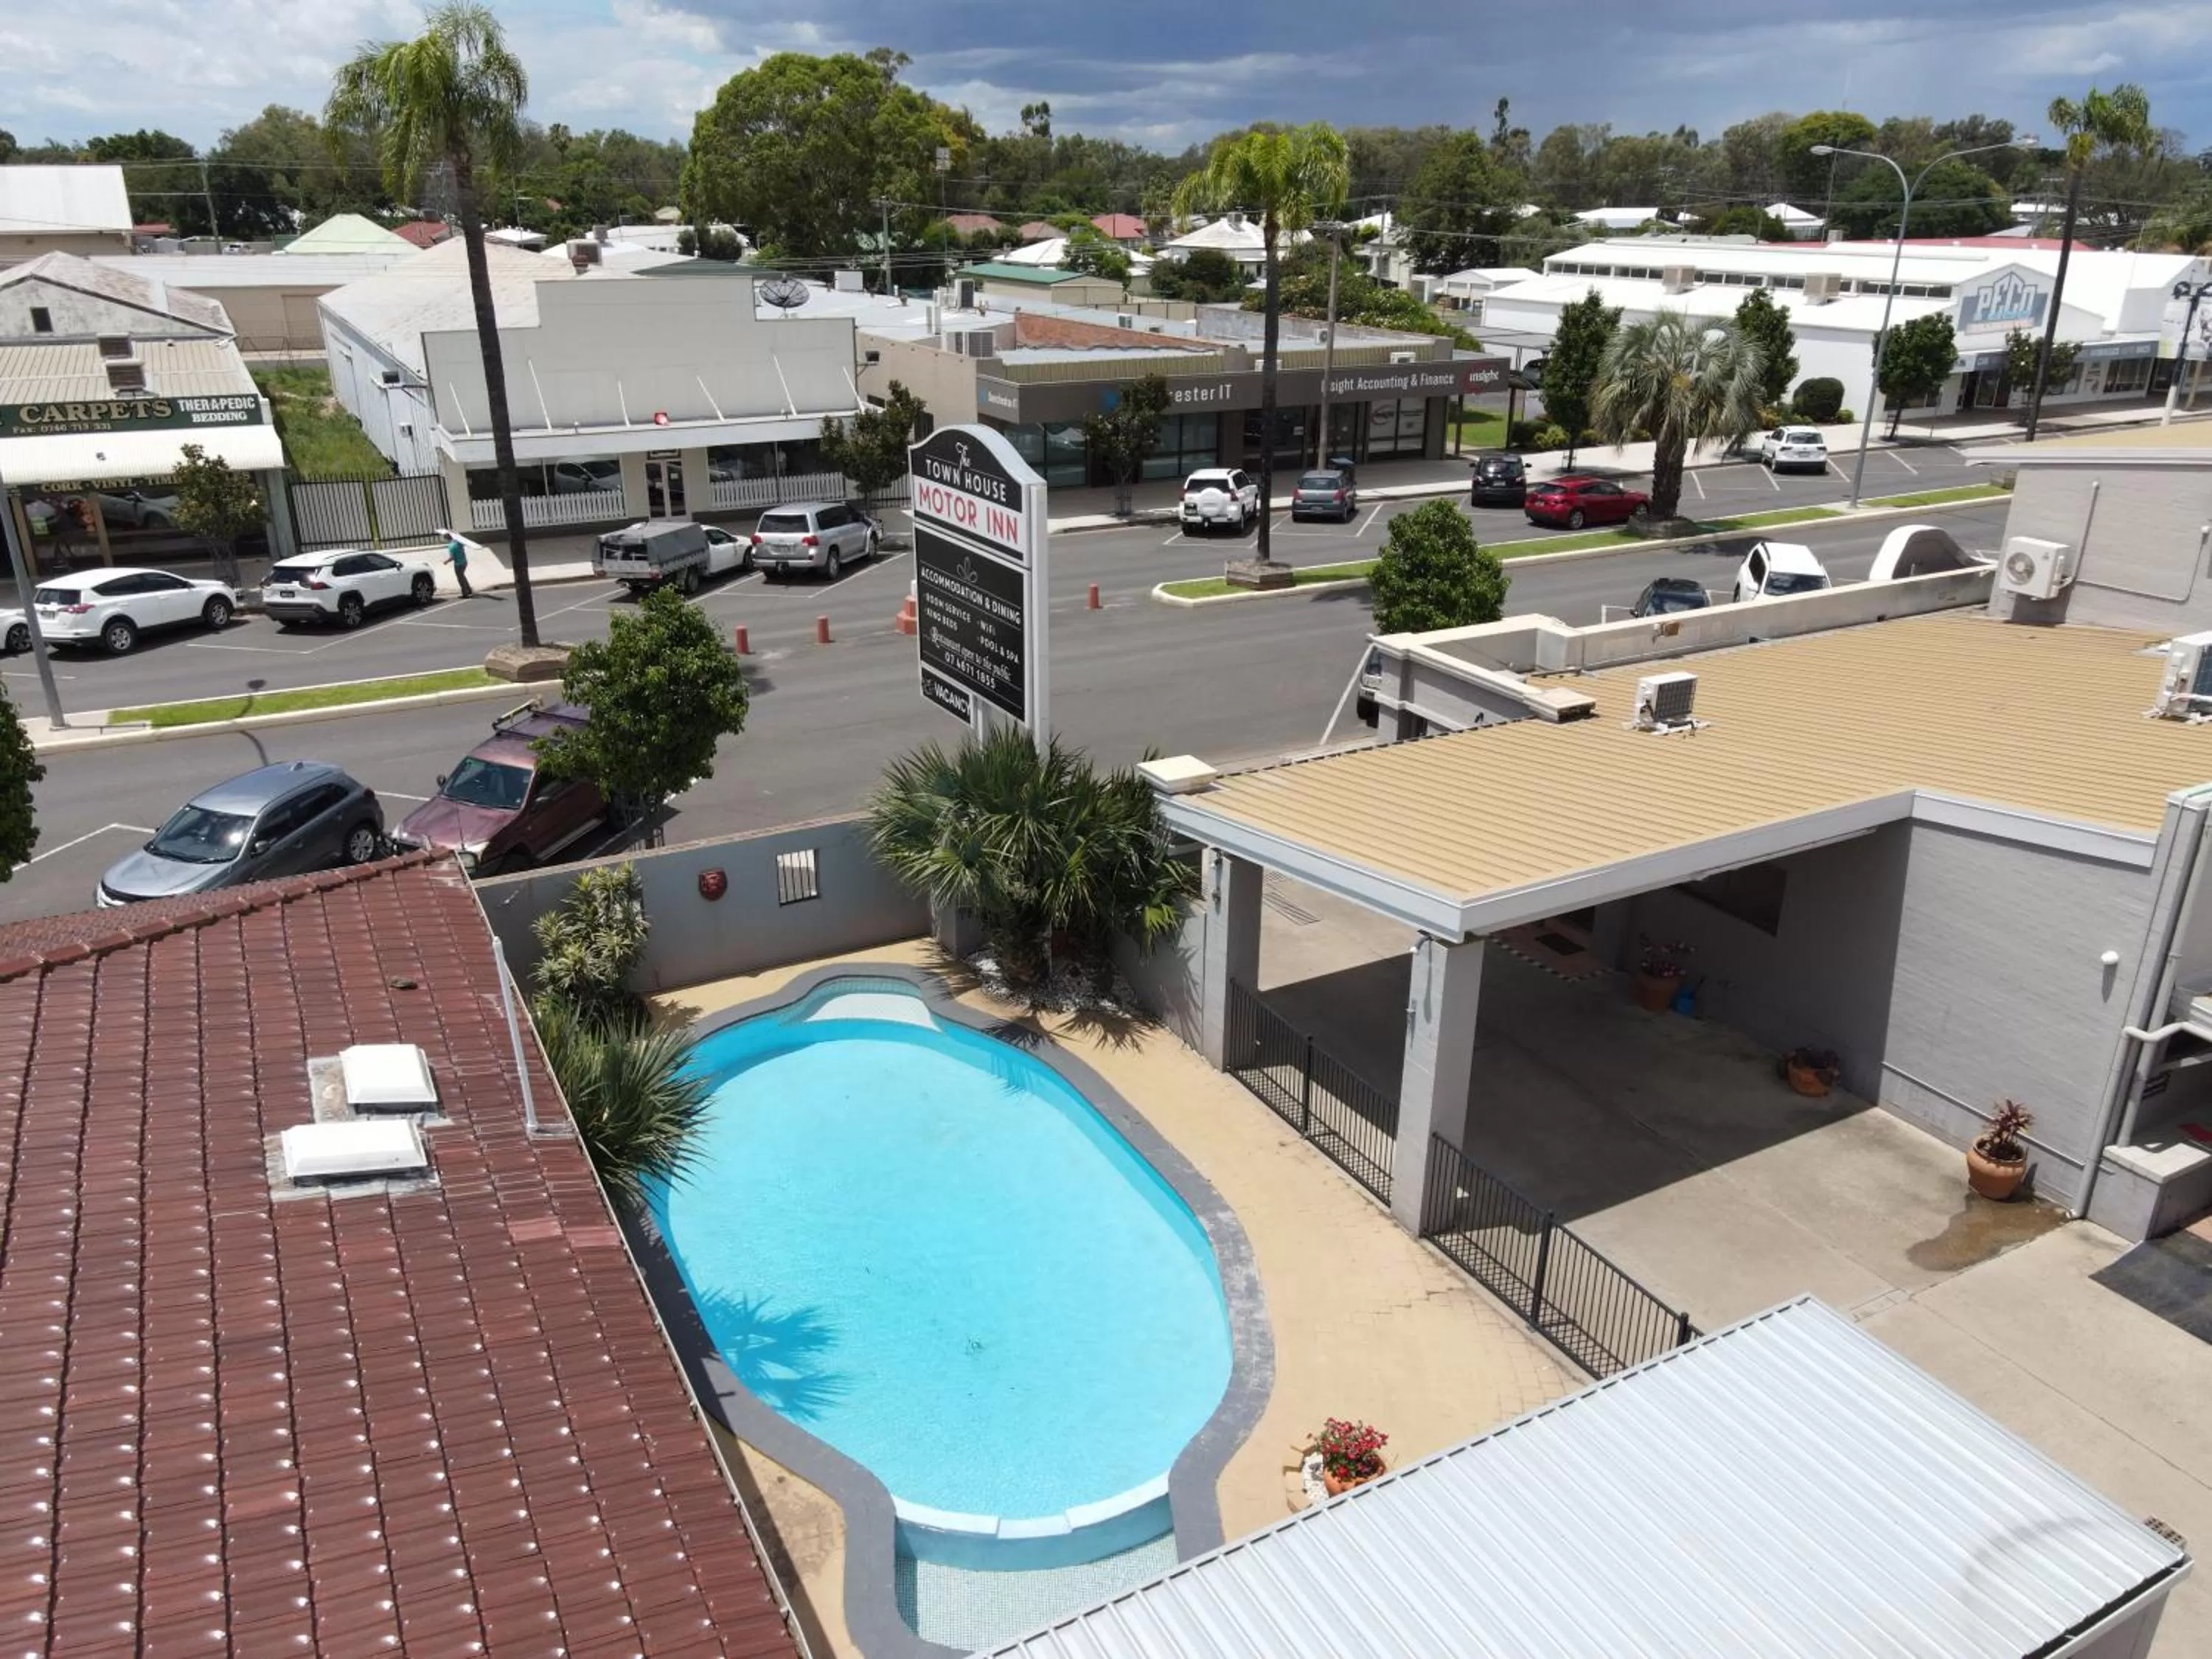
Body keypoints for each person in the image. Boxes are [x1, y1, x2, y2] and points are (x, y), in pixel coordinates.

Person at [442, 529, 473, 599]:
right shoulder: (459, 543)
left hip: (458, 565)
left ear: (447, 538)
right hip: (465, 562)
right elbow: (463, 541)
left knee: (460, 579)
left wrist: (446, 561)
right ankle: (469, 590)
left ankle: (465, 594)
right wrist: (455, 533)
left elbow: (452, 557)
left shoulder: (451, 546)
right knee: (462, 576)